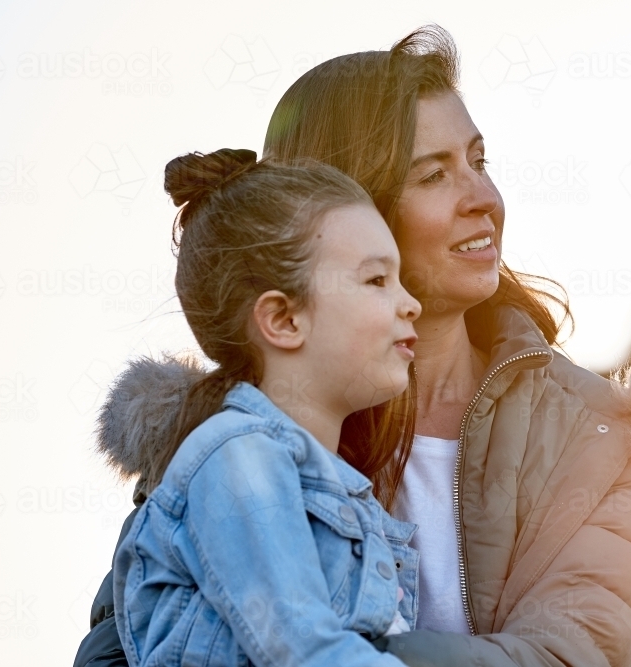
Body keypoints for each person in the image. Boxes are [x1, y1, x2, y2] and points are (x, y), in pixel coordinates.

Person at [75, 26, 631, 667]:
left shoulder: (598, 438)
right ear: (341, 209)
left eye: (479, 161)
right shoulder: (228, 439)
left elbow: (570, 657)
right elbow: (121, 646)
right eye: (433, 176)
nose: (484, 198)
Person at [111, 151, 424, 667]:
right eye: (376, 280)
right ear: (282, 319)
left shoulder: (349, 498)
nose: (411, 303)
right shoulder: (237, 457)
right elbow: (305, 651)